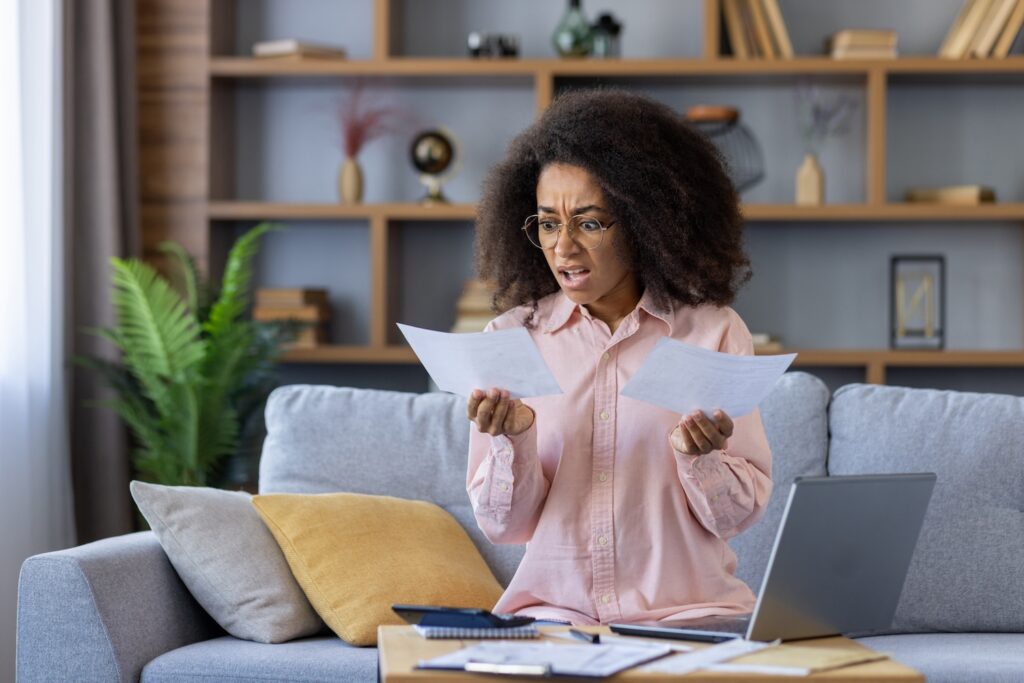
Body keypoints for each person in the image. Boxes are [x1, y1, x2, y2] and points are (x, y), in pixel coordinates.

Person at [465, 89, 772, 626]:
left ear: (643, 222)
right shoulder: (510, 340)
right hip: (558, 623)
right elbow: (503, 528)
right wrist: (513, 441)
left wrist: (701, 459)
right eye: (547, 223)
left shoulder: (715, 332)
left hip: (690, 621)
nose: (563, 249)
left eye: (588, 222)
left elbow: (736, 517)